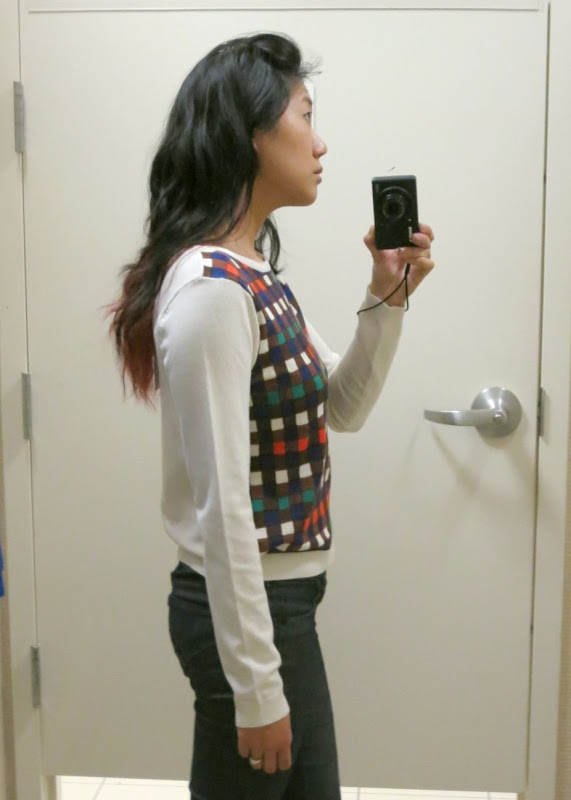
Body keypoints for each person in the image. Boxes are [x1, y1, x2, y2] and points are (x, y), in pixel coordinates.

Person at [108, 31, 434, 800]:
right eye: (304, 116)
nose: (319, 144)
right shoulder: (212, 289)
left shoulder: (250, 275)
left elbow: (341, 407)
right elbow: (223, 505)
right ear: (250, 135)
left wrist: (388, 295)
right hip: (249, 615)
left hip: (281, 607)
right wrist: (255, 689)